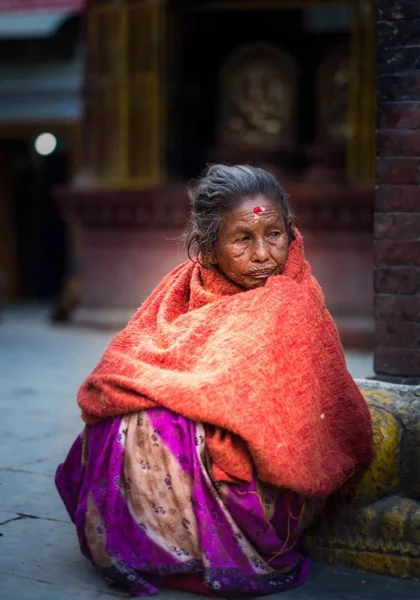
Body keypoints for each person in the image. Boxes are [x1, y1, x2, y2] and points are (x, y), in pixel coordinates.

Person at [56, 165, 373, 598]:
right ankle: (149, 542)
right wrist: (159, 392)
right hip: (208, 431)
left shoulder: (292, 297)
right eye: (243, 239)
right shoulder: (183, 286)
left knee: (157, 424)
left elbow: (274, 406)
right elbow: (123, 364)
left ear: (289, 232)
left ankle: (184, 544)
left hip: (263, 472)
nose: (263, 254)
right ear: (209, 246)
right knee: (122, 409)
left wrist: (183, 404)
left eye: (274, 234)